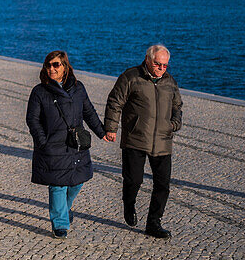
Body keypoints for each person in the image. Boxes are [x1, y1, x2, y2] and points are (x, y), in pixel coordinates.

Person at [103, 44, 183, 239]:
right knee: (134, 180)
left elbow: (177, 105)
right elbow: (115, 101)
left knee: (162, 184)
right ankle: (128, 203)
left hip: (163, 140)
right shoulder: (131, 77)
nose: (161, 69)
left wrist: (174, 124)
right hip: (135, 138)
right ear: (148, 60)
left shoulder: (169, 81)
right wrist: (111, 128)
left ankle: (154, 223)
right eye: (158, 64)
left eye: (165, 66)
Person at [25, 50, 106, 238]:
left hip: (75, 144)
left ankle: (65, 208)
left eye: (56, 65)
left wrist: (102, 132)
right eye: (48, 65)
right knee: (57, 185)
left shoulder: (78, 88)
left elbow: (89, 112)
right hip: (52, 146)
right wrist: (42, 141)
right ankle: (60, 224)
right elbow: (32, 119)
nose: (51, 69)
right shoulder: (39, 91)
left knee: (77, 181)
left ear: (65, 67)